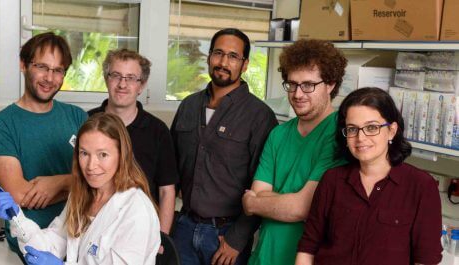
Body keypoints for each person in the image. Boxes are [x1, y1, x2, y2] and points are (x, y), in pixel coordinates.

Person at [296, 87, 442, 265]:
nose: (360, 138)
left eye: (371, 127)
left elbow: (426, 260)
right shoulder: (332, 180)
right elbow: (308, 248)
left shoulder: (420, 186)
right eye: (352, 129)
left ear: (392, 131)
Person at [0, 112, 161, 265]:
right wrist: (15, 216)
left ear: (122, 155)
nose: (91, 166)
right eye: (84, 153)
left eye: (103, 154)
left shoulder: (136, 210)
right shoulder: (82, 195)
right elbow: (52, 243)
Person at [171, 28, 278, 265]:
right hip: (183, 229)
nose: (223, 62)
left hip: (224, 238)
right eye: (218, 53)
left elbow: (262, 186)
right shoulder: (188, 106)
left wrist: (237, 239)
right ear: (209, 57)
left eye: (233, 56)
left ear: (245, 64)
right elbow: (171, 169)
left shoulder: (259, 116)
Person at [242, 39, 348, 265]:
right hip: (264, 256)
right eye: (292, 84)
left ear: (330, 84)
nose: (298, 94)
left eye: (308, 85)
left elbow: (302, 208)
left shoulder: (340, 133)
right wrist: (285, 202)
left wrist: (254, 204)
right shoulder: (278, 134)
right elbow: (259, 191)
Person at [0, 32, 87, 258]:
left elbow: (102, 182)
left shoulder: (78, 118)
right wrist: (76, 186)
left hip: (81, 239)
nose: (49, 78)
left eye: (58, 70)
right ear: (23, 64)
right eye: (42, 67)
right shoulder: (0, 126)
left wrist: (57, 182)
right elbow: (20, 195)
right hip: (29, 245)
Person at [88, 48, 178, 235]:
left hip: (139, 232)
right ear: (106, 79)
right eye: (116, 76)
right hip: (91, 227)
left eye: (130, 78)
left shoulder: (158, 131)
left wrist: (161, 239)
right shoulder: (86, 122)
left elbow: (166, 191)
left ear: (141, 85)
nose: (122, 84)